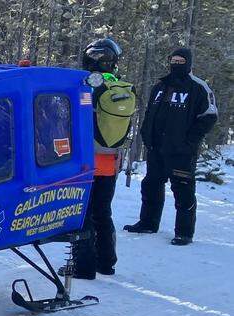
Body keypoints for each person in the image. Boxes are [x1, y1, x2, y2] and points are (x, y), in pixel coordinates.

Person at [124, 47, 218, 245]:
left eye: (180, 61)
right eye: (173, 60)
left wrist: (189, 142)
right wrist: (146, 134)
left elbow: (209, 116)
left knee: (182, 189)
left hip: (181, 151)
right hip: (157, 148)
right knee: (151, 185)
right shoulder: (160, 86)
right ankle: (148, 222)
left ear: (188, 62)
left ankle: (184, 232)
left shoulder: (198, 87)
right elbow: (150, 112)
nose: (176, 64)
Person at [73, 38, 136, 279]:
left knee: (84, 213)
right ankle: (106, 262)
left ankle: (84, 266)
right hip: (110, 161)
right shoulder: (118, 85)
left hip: (88, 160)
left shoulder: (91, 83)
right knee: (102, 211)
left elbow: (79, 114)